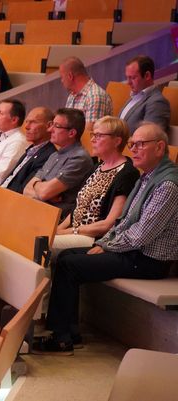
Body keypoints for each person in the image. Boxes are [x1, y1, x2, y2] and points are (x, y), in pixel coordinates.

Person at [33, 122, 178, 355]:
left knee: (70, 264)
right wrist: (104, 243)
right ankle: (69, 333)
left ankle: (61, 338)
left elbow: (142, 234)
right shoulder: (148, 177)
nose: (134, 150)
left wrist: (108, 246)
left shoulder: (167, 184)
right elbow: (123, 222)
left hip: (148, 260)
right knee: (67, 256)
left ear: (160, 147)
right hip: (132, 251)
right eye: (132, 144)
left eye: (140, 144)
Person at [51, 116, 139, 259]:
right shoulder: (97, 167)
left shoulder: (127, 173)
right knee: (37, 237)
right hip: (74, 231)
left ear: (117, 141)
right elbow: (78, 208)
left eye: (98, 135)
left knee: (40, 245)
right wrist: (57, 229)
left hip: (94, 238)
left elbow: (109, 224)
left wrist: (68, 232)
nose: (92, 140)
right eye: (93, 135)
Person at [23, 108, 94, 219]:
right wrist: (42, 190)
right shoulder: (54, 155)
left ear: (71, 133)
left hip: (54, 217)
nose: (50, 129)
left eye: (56, 126)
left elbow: (44, 193)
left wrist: (37, 187)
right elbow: (26, 190)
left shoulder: (79, 158)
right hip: (36, 210)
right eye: (52, 124)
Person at [118, 55, 170, 134]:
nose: (128, 82)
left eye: (133, 78)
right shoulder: (133, 96)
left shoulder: (157, 102)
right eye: (127, 78)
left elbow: (150, 136)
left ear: (147, 76)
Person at [60, 57, 112, 129]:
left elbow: (89, 132)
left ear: (70, 76)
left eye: (62, 77)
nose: (62, 81)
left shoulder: (95, 96)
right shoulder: (72, 96)